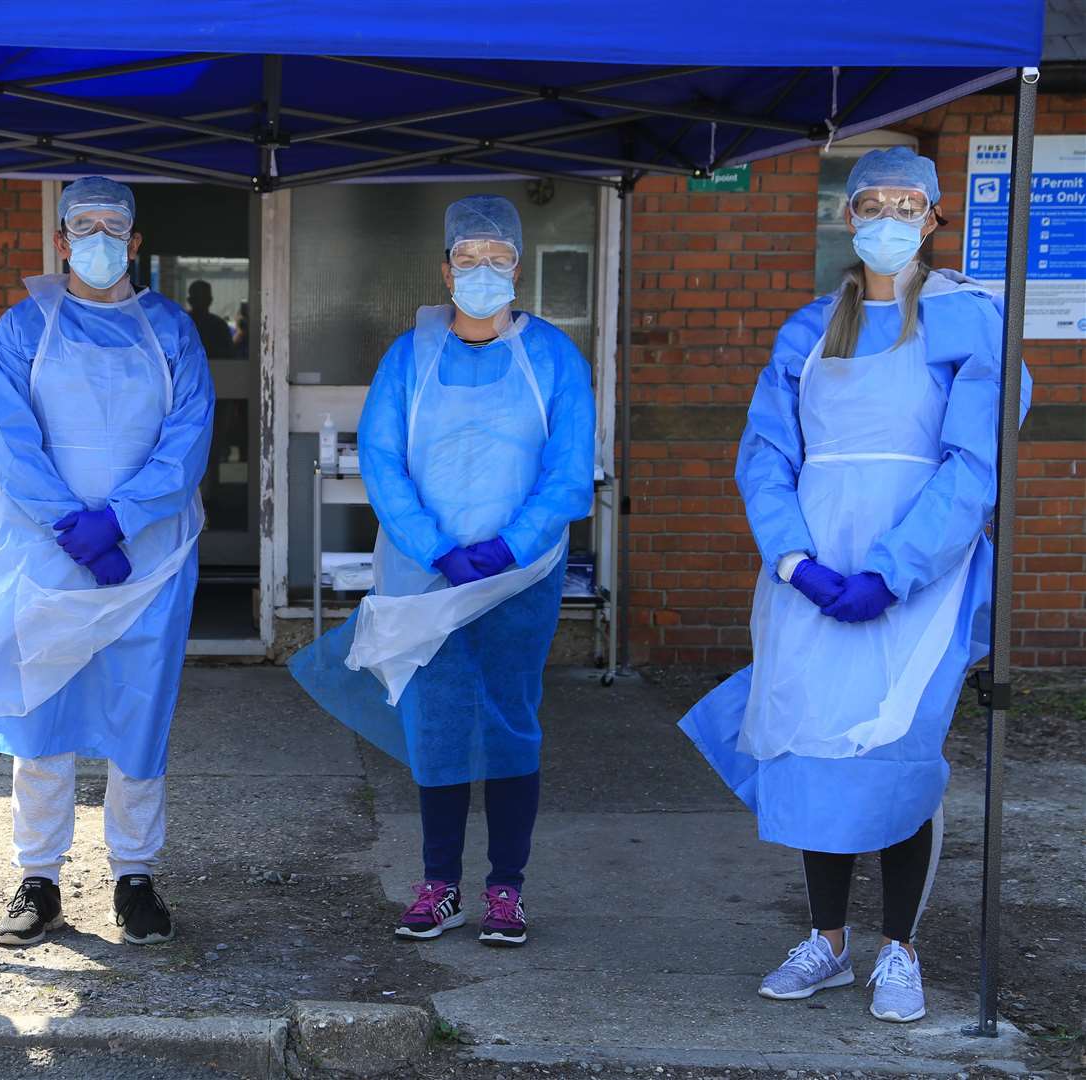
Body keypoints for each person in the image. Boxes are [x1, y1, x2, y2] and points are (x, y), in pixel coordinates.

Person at [678, 148, 1031, 1024]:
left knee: (898, 751)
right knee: (814, 748)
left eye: (906, 203)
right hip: (811, 573)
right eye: (872, 202)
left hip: (922, 575)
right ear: (847, 216)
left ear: (934, 218)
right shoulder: (807, 329)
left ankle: (899, 949)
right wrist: (795, 561)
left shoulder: (967, 321)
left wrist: (892, 570)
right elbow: (767, 454)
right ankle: (827, 941)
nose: (887, 218)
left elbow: (975, 462)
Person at [0, 176, 213, 948]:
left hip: (148, 556)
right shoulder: (22, 330)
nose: (97, 239)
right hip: (47, 549)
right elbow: (10, 441)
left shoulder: (172, 332)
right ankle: (39, 878)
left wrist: (120, 521)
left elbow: (186, 438)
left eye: (111, 226)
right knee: (40, 708)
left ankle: (136, 876)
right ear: (59, 241)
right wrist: (73, 526)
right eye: (81, 225)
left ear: (136, 242)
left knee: (139, 713)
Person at [291, 195, 595, 948]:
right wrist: (438, 548)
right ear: (445, 267)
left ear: (518, 269)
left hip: (518, 578)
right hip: (426, 576)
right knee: (438, 726)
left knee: (511, 723)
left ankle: (507, 890)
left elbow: (567, 470)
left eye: (498, 257)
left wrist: (510, 547)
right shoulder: (410, 358)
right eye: (469, 256)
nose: (483, 270)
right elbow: (384, 463)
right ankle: (438, 886)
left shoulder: (554, 357)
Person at [186, 279, 235, 358]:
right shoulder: (219, 326)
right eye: (198, 298)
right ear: (210, 300)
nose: (200, 303)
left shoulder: (181, 325)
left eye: (202, 298)